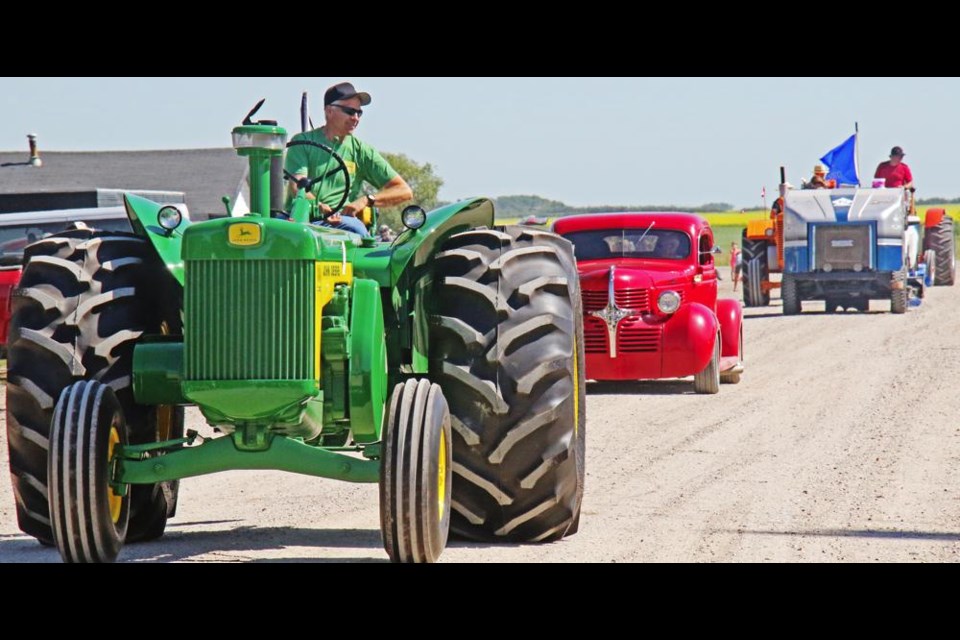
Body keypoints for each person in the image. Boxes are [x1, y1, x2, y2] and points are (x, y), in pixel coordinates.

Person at [284, 81, 413, 237]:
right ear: (329, 111)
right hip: (303, 219)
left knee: (358, 231)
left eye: (359, 113)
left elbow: (403, 191)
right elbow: (298, 185)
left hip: (343, 222)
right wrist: (318, 207)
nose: (356, 118)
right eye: (350, 111)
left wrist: (367, 200)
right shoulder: (302, 142)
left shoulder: (362, 151)